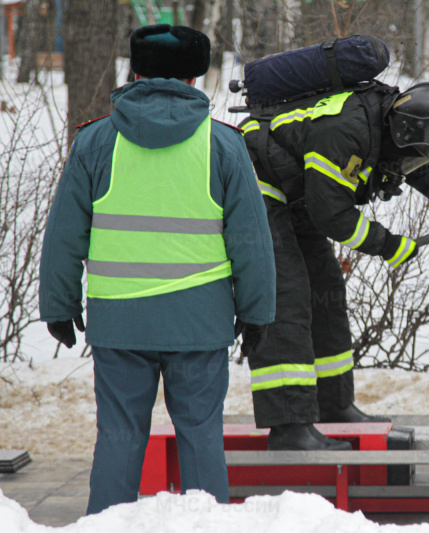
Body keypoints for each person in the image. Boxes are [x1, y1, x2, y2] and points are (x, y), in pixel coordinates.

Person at [38, 24, 276, 514]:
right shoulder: (223, 146)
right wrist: (257, 314)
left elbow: (64, 234)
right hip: (200, 320)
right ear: (196, 76)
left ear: (136, 70)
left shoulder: (96, 142)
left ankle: (105, 525)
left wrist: (58, 306)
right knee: (201, 438)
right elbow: (252, 241)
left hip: (119, 320)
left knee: (120, 437)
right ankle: (207, 525)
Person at [240, 81, 429, 450]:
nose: (418, 161)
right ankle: (289, 427)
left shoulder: (396, 133)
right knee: (287, 297)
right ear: (405, 133)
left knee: (326, 291)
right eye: (419, 153)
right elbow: (332, 216)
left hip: (299, 197)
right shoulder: (345, 131)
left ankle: (334, 406)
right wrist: (387, 244)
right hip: (258, 186)